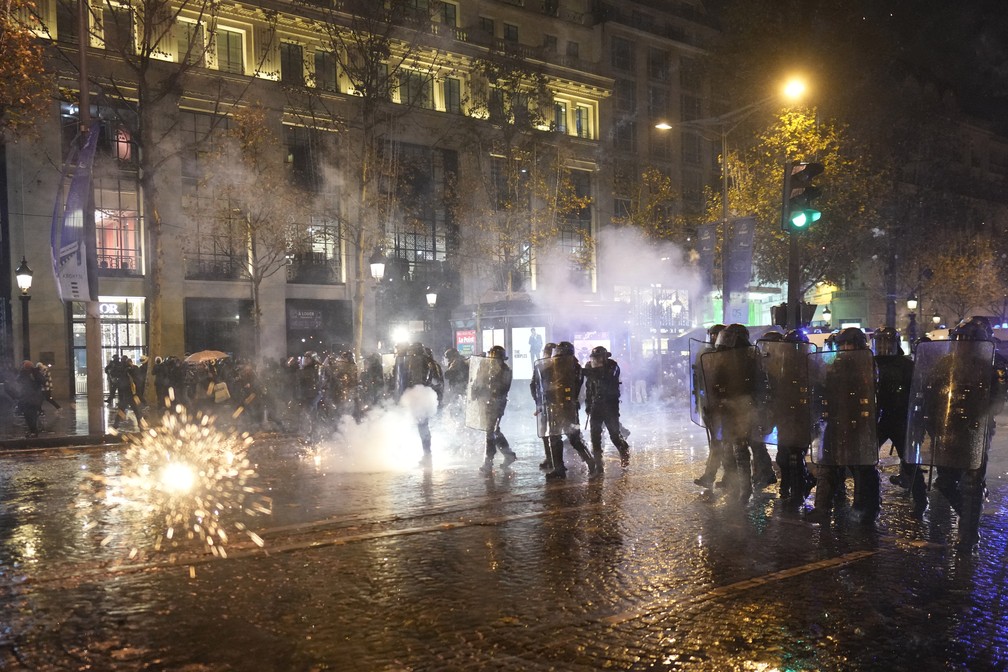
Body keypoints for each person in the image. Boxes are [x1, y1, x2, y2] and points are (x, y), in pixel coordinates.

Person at [908, 316, 1007, 551]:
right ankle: (969, 515)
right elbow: (933, 392)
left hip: (976, 429)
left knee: (971, 482)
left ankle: (968, 535)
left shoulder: (995, 364)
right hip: (947, 427)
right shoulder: (946, 363)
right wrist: (927, 420)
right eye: (959, 340)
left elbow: (998, 401)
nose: (963, 345)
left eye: (969, 340)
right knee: (944, 481)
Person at [806, 327, 881, 525]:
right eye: (842, 345)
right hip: (835, 420)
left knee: (862, 467)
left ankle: (865, 508)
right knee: (827, 464)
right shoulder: (835, 366)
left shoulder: (867, 364)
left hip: (859, 422)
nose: (846, 348)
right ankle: (822, 508)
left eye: (849, 344)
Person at [700, 324, 761, 504]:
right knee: (726, 448)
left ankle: (745, 489)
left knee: (740, 449)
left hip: (743, 410)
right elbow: (714, 384)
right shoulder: (722, 359)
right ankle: (733, 483)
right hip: (724, 411)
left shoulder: (750, 359)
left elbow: (758, 385)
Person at [872, 326, 927, 516]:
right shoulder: (869, 363)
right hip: (877, 418)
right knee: (866, 460)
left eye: (887, 343)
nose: (884, 347)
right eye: (880, 343)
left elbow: (917, 393)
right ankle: (870, 499)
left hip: (900, 419)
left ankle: (921, 500)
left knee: (910, 461)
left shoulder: (906, 365)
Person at [536, 341, 596, 479]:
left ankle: (591, 463)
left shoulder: (573, 367)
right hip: (556, 406)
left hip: (567, 407)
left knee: (572, 438)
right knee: (556, 437)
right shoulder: (563, 366)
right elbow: (542, 375)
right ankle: (560, 468)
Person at [395, 342, 444, 469]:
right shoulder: (430, 362)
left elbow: (421, 381)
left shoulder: (422, 362)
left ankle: (427, 456)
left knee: (422, 427)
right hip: (421, 397)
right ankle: (426, 455)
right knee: (422, 426)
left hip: (421, 397)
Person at [470, 345, 517, 474]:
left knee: (490, 431)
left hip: (497, 403)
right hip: (484, 402)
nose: (494, 361)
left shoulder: (506, 370)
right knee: (494, 430)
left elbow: (503, 388)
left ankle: (488, 462)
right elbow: (477, 381)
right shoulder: (485, 367)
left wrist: (492, 393)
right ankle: (509, 455)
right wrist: (475, 391)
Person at [583, 345, 631, 473]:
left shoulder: (613, 366)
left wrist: (586, 371)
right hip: (596, 406)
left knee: (614, 435)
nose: (596, 361)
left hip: (610, 405)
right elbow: (589, 389)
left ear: (604, 358)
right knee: (595, 436)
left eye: (598, 358)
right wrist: (588, 405)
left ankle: (624, 450)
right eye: (594, 358)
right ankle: (598, 463)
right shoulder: (590, 368)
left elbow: (605, 377)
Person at [693, 324, 727, 489]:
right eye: (712, 335)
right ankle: (715, 476)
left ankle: (721, 476)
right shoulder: (704, 354)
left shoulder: (730, 354)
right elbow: (698, 380)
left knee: (725, 444)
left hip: (729, 405)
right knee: (717, 442)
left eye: (717, 335)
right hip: (711, 405)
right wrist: (700, 403)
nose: (714, 338)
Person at [531, 342, 558, 471]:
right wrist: (538, 402)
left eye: (549, 352)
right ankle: (550, 458)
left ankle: (557, 462)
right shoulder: (540, 366)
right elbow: (533, 384)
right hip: (544, 403)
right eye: (546, 352)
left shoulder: (559, 367)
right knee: (544, 432)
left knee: (556, 433)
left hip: (557, 404)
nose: (547, 355)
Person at [15, 360, 45, 437]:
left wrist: (33, 378)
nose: (24, 367)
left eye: (25, 366)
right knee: (27, 415)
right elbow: (18, 380)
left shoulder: (35, 372)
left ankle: (34, 431)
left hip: (33, 397)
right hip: (26, 397)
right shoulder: (23, 373)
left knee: (32, 415)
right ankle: (32, 430)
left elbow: (42, 381)